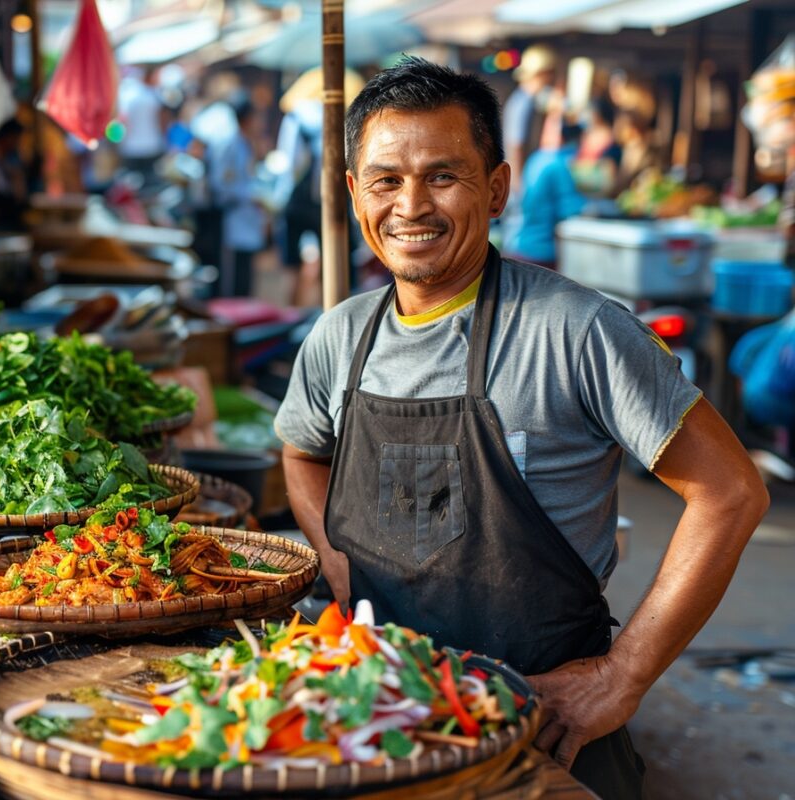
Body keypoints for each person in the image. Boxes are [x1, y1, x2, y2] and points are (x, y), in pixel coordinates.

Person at [275, 58, 769, 799]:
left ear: (497, 187)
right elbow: (301, 450)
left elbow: (731, 493)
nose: (412, 204)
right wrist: (339, 564)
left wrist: (624, 674)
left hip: (544, 732)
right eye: (386, 180)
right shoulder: (340, 337)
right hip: (374, 714)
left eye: (443, 175)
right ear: (353, 193)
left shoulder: (578, 331)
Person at [505, 118, 587, 268]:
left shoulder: (537, 158)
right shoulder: (561, 164)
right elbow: (569, 209)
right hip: (543, 253)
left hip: (519, 244)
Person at [208, 95, 266, 297]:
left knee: (245, 276)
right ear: (247, 118)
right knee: (233, 280)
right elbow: (221, 184)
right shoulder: (229, 143)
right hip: (233, 218)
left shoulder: (243, 142)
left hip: (246, 218)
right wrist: (249, 196)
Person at [502, 44, 559, 196]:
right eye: (550, 74)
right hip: (520, 186)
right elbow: (515, 146)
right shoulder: (523, 103)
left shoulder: (530, 101)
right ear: (541, 74)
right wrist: (520, 189)